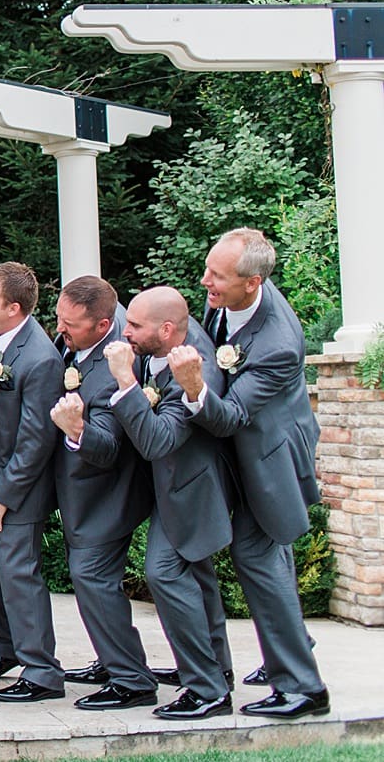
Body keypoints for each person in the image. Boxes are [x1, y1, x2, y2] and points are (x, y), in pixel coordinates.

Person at [168, 228, 329, 719]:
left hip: (269, 459)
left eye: (217, 276)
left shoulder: (278, 343)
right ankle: (291, 649)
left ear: (253, 283)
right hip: (236, 455)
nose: (205, 282)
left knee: (257, 554)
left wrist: (193, 388)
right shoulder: (232, 296)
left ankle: (303, 688)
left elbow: (231, 415)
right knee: (267, 560)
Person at [108, 287, 236, 720]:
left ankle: (207, 691)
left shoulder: (192, 369)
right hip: (170, 487)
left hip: (193, 490)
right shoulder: (161, 343)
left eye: (135, 327)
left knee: (163, 571)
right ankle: (215, 671)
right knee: (198, 581)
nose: (126, 332)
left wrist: (126, 382)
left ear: (166, 331)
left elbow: (158, 441)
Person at [47, 276, 155, 711]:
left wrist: (76, 430)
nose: (60, 329)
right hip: (86, 493)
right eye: (59, 317)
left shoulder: (111, 372)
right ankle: (114, 662)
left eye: (70, 323)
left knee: (92, 576)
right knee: (90, 578)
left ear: (104, 324)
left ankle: (132, 680)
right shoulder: (78, 344)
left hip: (108, 496)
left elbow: (108, 448)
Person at [0, 261, 65, 703]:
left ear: (14, 307)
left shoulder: (40, 358)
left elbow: (36, 440)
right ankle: (6, 648)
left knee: (18, 573)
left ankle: (42, 671)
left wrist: (2, 495)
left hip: (17, 488)